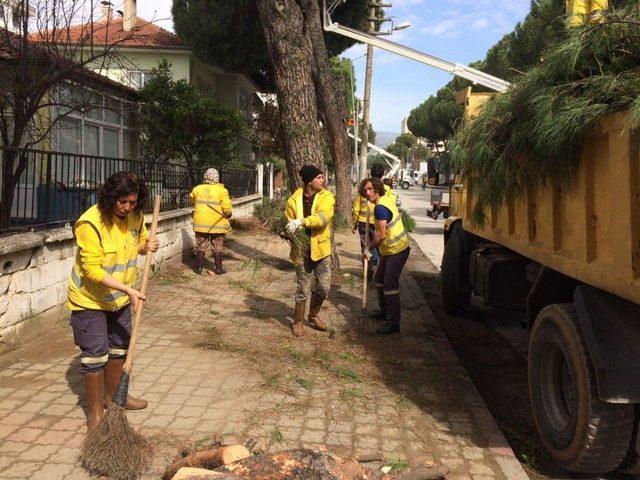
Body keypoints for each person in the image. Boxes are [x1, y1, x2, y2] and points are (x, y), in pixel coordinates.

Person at [67, 172, 159, 434]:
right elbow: (92, 271)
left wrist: (146, 245)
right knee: (95, 354)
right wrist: (128, 291)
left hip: (118, 298)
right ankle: (96, 414)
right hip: (90, 300)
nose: (127, 207)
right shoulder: (90, 223)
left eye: (132, 202)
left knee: (119, 347)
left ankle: (116, 398)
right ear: (111, 197)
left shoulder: (136, 216)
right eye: (123, 202)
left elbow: (137, 243)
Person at [284, 165, 335, 337]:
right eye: (319, 177)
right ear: (309, 181)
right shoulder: (293, 200)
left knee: (324, 287)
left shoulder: (327, 197)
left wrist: (301, 222)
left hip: (321, 249)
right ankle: (298, 321)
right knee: (302, 288)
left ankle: (313, 315)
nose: (323, 180)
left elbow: (322, 218)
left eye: (322, 177)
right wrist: (287, 231)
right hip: (302, 249)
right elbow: (288, 222)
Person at [360, 177, 411, 334]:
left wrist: (368, 248)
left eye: (370, 189)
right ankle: (384, 311)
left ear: (376, 188)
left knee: (390, 285)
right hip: (388, 251)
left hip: (397, 250)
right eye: (365, 191)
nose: (368, 193)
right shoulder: (384, 200)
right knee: (379, 279)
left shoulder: (380, 208)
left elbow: (381, 235)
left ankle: (394, 323)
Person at [190, 168, 232, 275]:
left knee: (201, 244)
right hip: (217, 225)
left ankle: (198, 268)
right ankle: (218, 268)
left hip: (200, 224)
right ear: (217, 178)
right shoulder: (222, 191)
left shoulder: (197, 189)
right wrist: (228, 214)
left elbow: (192, 200)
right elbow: (227, 208)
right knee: (217, 245)